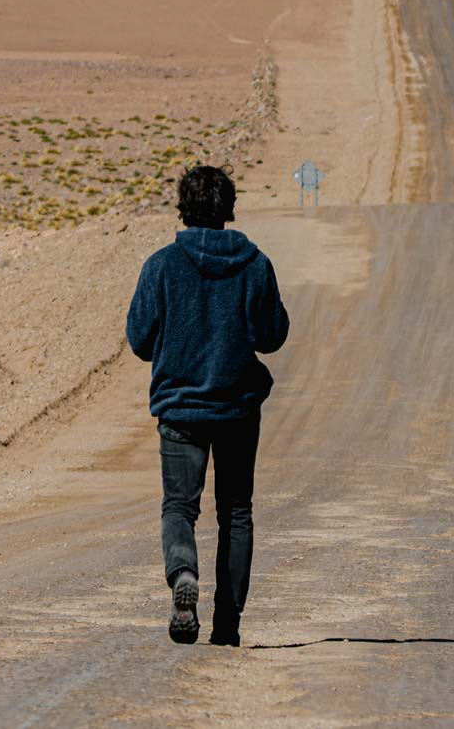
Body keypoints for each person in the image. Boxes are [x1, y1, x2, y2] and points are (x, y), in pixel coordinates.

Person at [126, 164, 289, 646]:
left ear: (184, 207)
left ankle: (183, 577)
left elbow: (139, 339)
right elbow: (272, 336)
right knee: (236, 511)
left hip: (180, 410)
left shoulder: (160, 266)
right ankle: (228, 625)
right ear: (228, 209)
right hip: (238, 408)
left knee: (180, 506)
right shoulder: (255, 263)